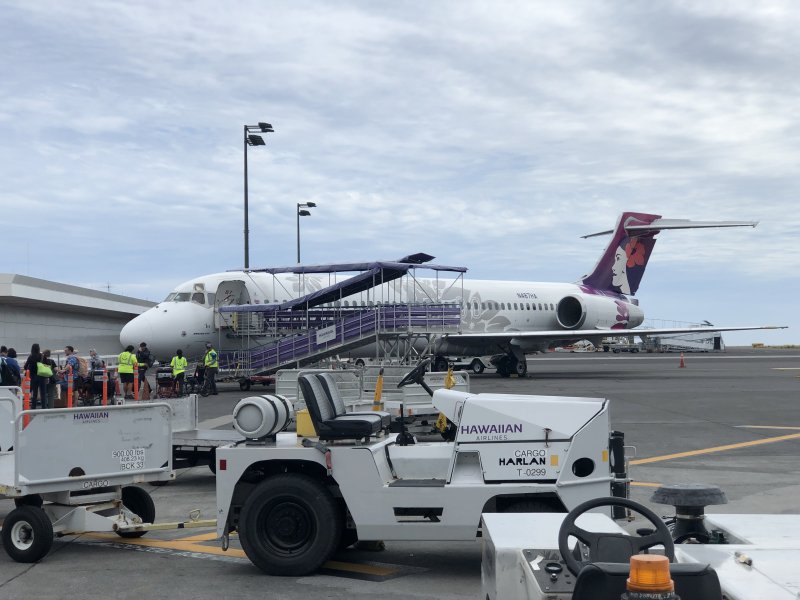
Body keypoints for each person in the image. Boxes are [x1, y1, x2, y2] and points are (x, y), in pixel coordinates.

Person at [22, 343, 47, 409]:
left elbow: (25, 367)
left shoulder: (31, 356)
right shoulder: (42, 356)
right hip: (42, 376)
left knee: (34, 393)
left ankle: (33, 407)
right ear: (38, 348)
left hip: (33, 377)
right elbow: (47, 365)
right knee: (43, 393)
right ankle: (44, 407)